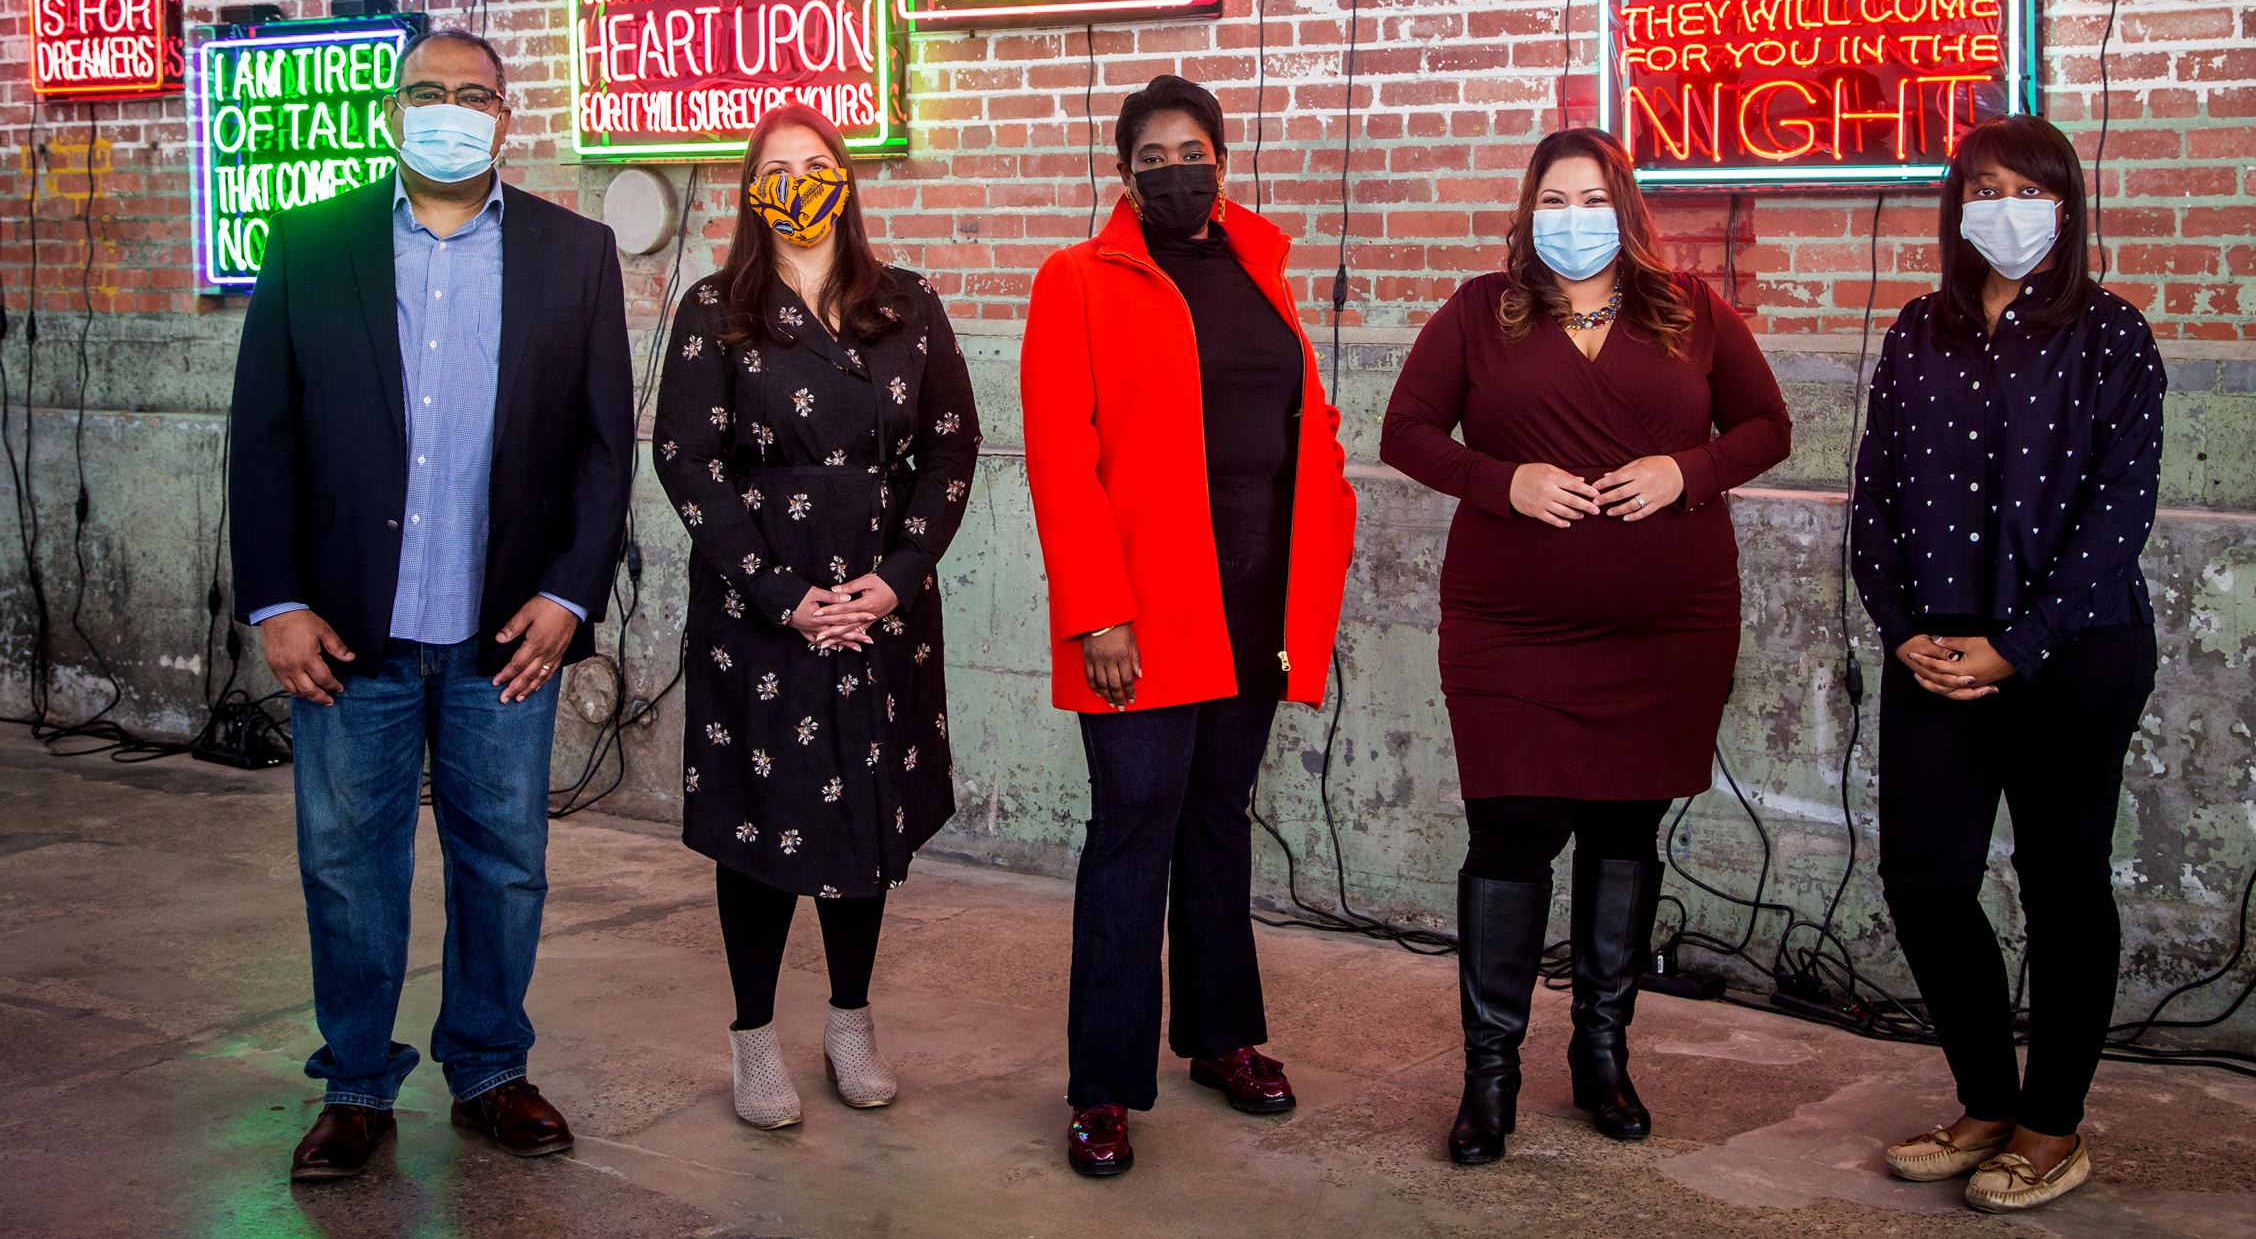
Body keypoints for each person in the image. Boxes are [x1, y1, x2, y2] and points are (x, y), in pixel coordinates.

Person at [229, 29, 634, 1181]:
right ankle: (356, 1083)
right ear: (391, 111)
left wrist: (570, 591)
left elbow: (607, 446)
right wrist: (278, 601)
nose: (450, 109)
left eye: (474, 95)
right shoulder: (311, 243)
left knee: (504, 858)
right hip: (350, 630)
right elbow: (262, 436)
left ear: (507, 116)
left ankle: (490, 1066)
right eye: (427, 92)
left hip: (507, 629)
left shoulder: (575, 250)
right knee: (348, 864)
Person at [1379, 126, 1792, 1167]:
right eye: (1553, 201)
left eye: (1590, 198)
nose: (1572, 219)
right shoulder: (1480, 311)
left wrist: (1685, 470)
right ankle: (1490, 1076)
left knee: (1622, 832)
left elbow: (1766, 425)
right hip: (1511, 631)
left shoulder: (1691, 310)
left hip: (1667, 629)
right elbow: (1406, 431)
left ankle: (1602, 1054)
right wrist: (1500, 479)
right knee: (1510, 831)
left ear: (1626, 208)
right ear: (1528, 213)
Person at [1021, 74, 1359, 1178]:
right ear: (1123, 172)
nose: (1176, 167)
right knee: (1133, 830)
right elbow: (1060, 460)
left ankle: (1221, 1036)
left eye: (1193, 147)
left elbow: (1305, 424)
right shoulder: (1077, 279)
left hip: (1254, 607)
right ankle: (1103, 1086)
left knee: (1218, 815)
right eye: (1153, 154)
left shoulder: (1262, 270)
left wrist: (1322, 546)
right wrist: (1098, 611)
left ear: (1222, 156)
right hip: (1141, 614)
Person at [1850, 114, 2165, 1214]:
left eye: (2026, 189)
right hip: (1932, 642)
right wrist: (1899, 627)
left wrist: (2018, 645)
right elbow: (1874, 496)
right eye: (1983, 186)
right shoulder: (1915, 332)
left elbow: (2116, 517)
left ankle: (2051, 1124)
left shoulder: (2112, 336)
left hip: (2074, 647)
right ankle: (1985, 1100)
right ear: (1957, 206)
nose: (2004, 207)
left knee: (2060, 880)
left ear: (2065, 209)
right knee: (1925, 876)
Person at [654, 104, 980, 1129]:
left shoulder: (907, 304)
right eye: (775, 167)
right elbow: (684, 458)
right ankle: (754, 1036)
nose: (796, 180)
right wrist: (778, 592)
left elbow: (952, 444)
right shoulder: (715, 306)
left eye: (815, 163)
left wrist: (901, 571)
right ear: (752, 190)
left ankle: (850, 1018)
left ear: (844, 178)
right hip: (760, 608)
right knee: (761, 819)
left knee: (864, 812)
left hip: (881, 603)